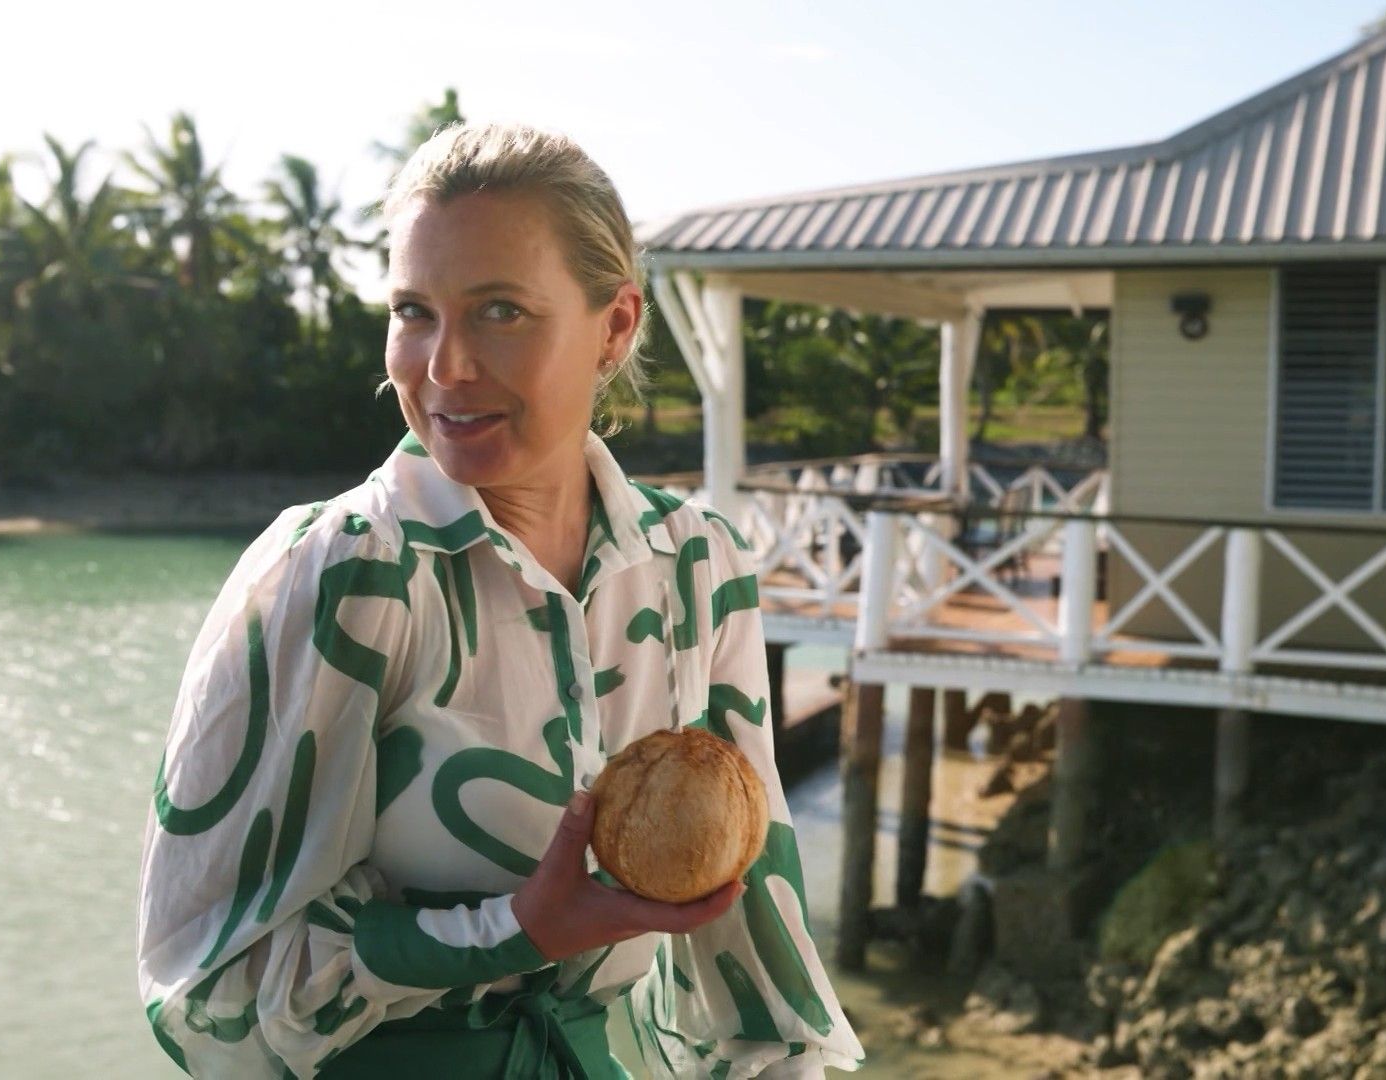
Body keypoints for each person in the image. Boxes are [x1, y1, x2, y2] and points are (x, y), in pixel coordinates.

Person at [135, 120, 865, 1079]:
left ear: (616, 326)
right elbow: (206, 985)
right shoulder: (344, 573)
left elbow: (750, 928)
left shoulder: (697, 566)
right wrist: (513, 929)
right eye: (413, 311)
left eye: (500, 312)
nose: (444, 366)